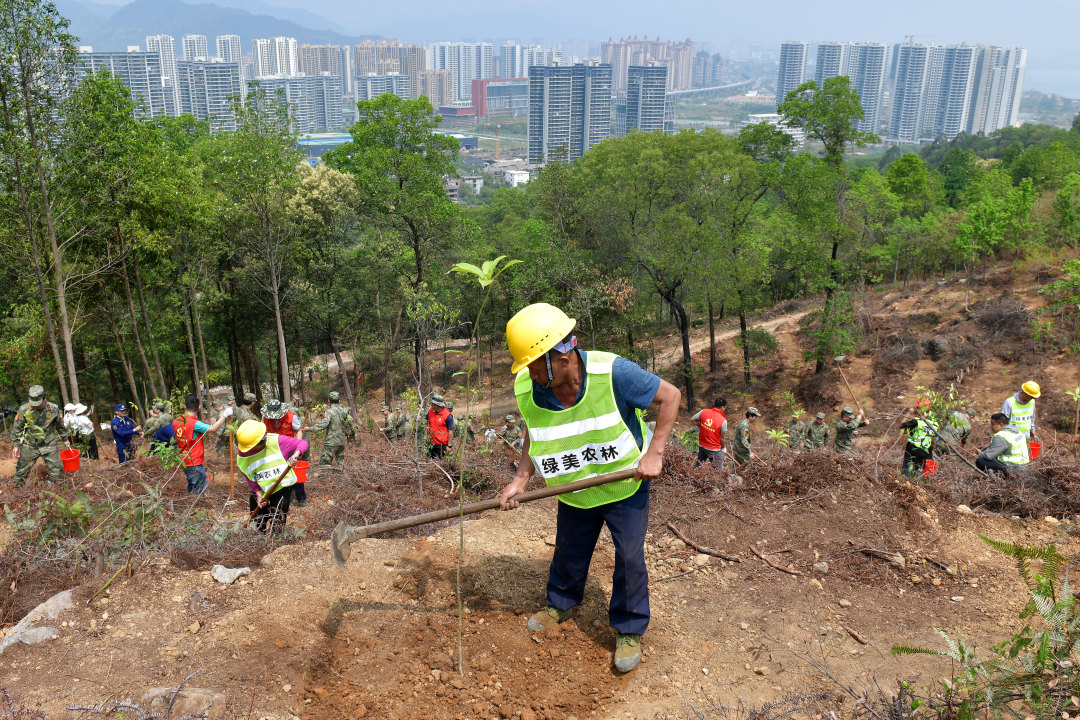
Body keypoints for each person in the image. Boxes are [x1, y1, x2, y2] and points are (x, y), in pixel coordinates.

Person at [496, 303, 681, 673]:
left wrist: (655, 453)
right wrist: (521, 477)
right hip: (575, 486)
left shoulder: (612, 372)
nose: (528, 373)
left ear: (562, 357)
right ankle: (561, 602)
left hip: (624, 485)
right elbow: (537, 429)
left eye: (533, 363)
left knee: (629, 557)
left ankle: (629, 628)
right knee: (569, 549)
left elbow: (671, 396)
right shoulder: (529, 387)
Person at [234, 419, 308, 532]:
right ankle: (260, 543)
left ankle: (276, 544)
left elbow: (302, 443)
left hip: (281, 488)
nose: (266, 437)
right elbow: (248, 474)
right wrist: (258, 493)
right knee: (258, 522)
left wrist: (295, 455)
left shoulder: (276, 440)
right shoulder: (244, 452)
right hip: (262, 490)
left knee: (278, 521)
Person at [11, 385, 70, 484]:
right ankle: (17, 491)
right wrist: (16, 446)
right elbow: (17, 428)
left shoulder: (53, 409)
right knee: (21, 472)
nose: (35, 405)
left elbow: (60, 426)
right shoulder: (24, 409)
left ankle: (55, 494)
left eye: (38, 402)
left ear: (45, 398)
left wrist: (65, 439)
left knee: (56, 473)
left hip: (49, 444)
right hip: (30, 445)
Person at [173, 395, 227, 494]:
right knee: (198, 490)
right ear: (199, 407)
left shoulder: (177, 421)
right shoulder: (194, 423)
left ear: (185, 407)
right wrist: (224, 416)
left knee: (192, 484)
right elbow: (213, 429)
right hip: (194, 461)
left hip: (183, 459)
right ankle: (197, 507)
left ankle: (191, 503)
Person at [304, 391, 355, 468]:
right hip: (341, 441)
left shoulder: (329, 411)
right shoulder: (344, 410)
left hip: (331, 442)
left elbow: (323, 424)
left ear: (329, 400)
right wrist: (350, 438)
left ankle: (328, 479)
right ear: (339, 401)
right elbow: (351, 423)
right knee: (341, 464)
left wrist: (310, 428)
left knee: (325, 464)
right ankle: (342, 478)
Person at [900, 401, 935, 478]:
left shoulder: (916, 422)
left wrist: (909, 413)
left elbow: (901, 425)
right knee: (920, 469)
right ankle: (919, 483)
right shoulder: (933, 422)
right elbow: (933, 437)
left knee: (908, 465)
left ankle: (906, 480)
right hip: (926, 449)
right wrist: (932, 450)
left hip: (913, 448)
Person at [691, 398, 728, 467]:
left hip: (702, 444)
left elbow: (693, 419)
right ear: (722, 407)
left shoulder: (704, 411)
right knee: (718, 470)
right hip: (714, 448)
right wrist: (723, 448)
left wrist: (701, 426)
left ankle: (693, 475)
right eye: (725, 407)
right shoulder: (723, 421)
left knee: (698, 464)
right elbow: (722, 438)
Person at [426, 393, 454, 458]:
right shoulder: (431, 411)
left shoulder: (448, 416)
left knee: (441, 463)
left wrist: (449, 446)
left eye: (432, 403)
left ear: (437, 405)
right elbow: (426, 421)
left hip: (442, 445)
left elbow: (451, 431)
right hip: (431, 443)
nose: (431, 404)